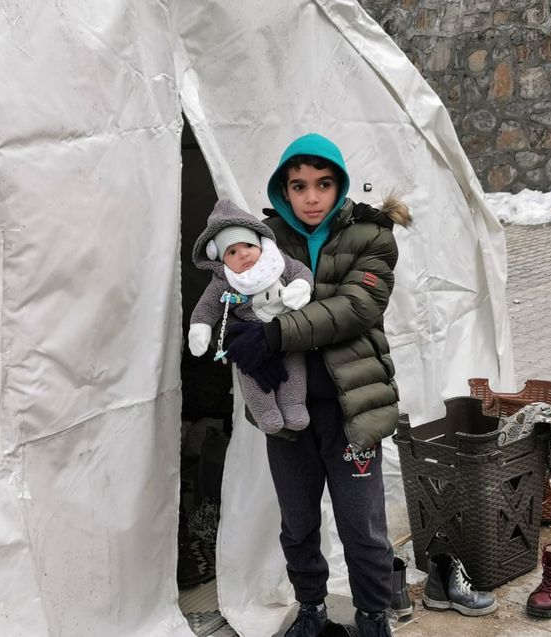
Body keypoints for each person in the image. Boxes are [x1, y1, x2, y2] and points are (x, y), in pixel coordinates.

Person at [223, 133, 411, 637]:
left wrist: (275, 332)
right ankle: (311, 610)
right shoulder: (261, 241)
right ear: (283, 189)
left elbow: (356, 308)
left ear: (340, 185)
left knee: (363, 527)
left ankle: (373, 616)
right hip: (289, 413)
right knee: (298, 523)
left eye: (323, 184)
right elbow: (232, 297)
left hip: (352, 410)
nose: (311, 197)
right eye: (299, 184)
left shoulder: (373, 236)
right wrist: (239, 330)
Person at [188, 199, 314, 434]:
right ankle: (265, 412)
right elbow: (207, 307)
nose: (243, 254)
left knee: (294, 370)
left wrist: (300, 287)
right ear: (221, 258)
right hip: (251, 340)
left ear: (259, 243)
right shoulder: (224, 281)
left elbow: (301, 272)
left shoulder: (278, 261)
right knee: (251, 374)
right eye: (232, 252)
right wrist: (200, 327)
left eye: (247, 245)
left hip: (287, 335)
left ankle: (294, 406)